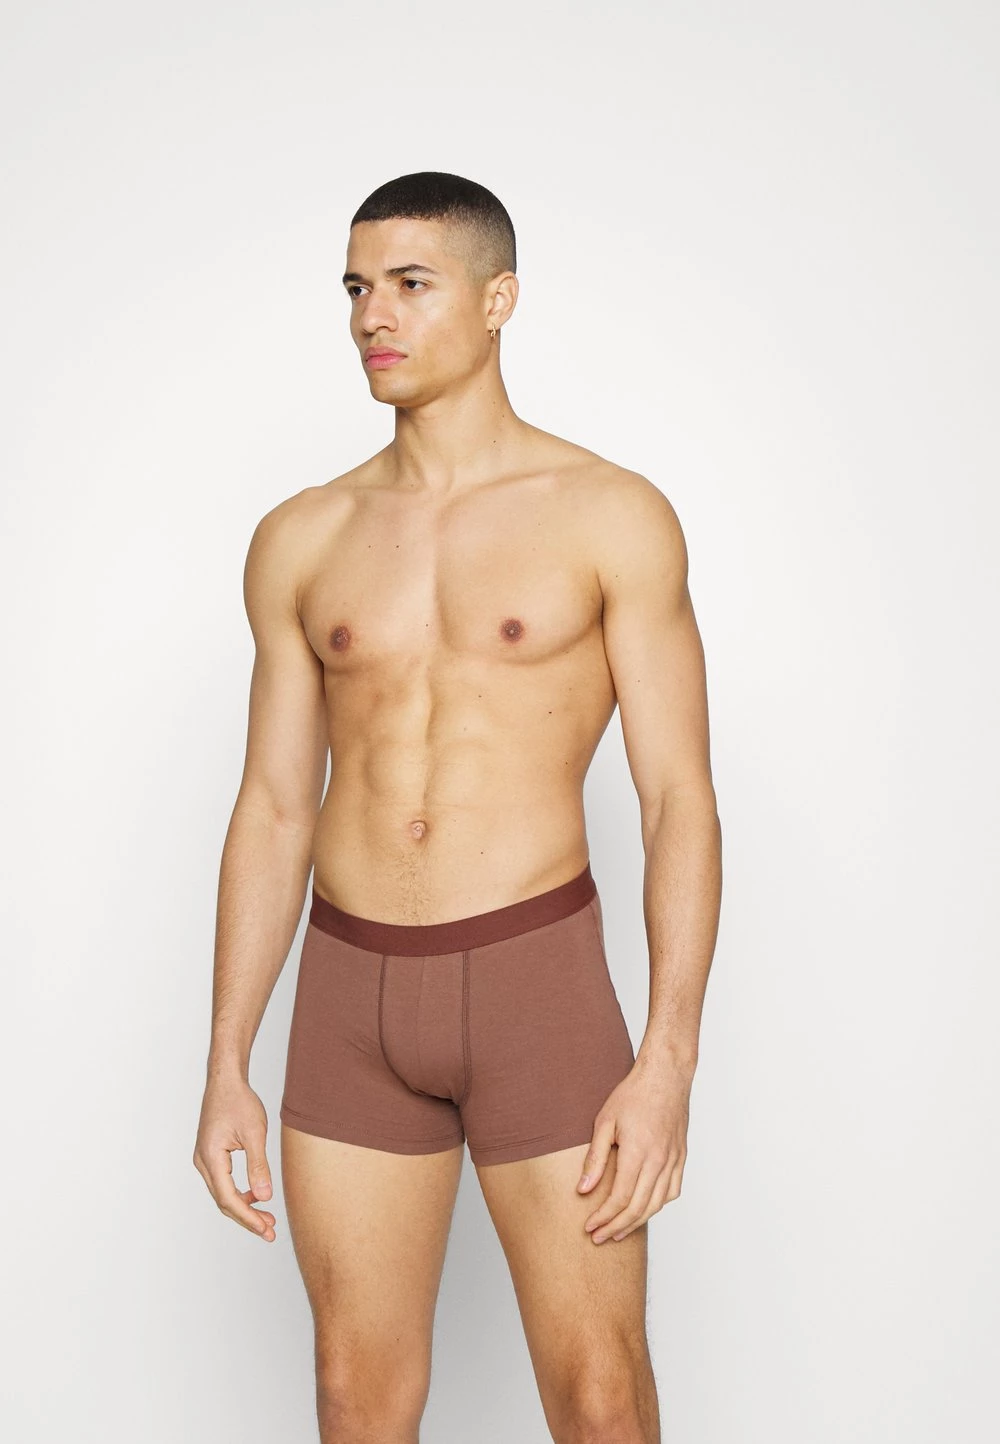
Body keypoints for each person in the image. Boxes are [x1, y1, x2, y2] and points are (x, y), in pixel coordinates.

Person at [193, 171, 722, 1443]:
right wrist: (225, 1060)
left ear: (498, 300)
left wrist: (667, 1058)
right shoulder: (302, 535)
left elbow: (676, 799)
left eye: (410, 284)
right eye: (356, 288)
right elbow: (274, 803)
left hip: (535, 982)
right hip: (350, 996)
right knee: (355, 1398)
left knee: (599, 1396)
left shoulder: (608, 514)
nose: (372, 315)